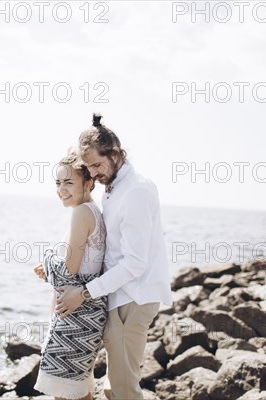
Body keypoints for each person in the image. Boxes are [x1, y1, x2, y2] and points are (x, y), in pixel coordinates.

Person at [56, 114, 173, 400]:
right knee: (113, 387)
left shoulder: (136, 191)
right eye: (89, 167)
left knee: (122, 390)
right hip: (119, 296)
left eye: (97, 165)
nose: (94, 174)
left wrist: (82, 293)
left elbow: (135, 263)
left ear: (117, 153)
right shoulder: (115, 185)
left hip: (133, 297)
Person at [33, 150, 107, 400]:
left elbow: (69, 270)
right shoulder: (93, 211)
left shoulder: (82, 212)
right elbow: (82, 266)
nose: (61, 189)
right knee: (80, 391)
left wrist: (47, 259)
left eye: (68, 182)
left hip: (76, 318)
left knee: (64, 393)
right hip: (85, 314)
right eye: (58, 182)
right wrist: (50, 270)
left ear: (89, 183)